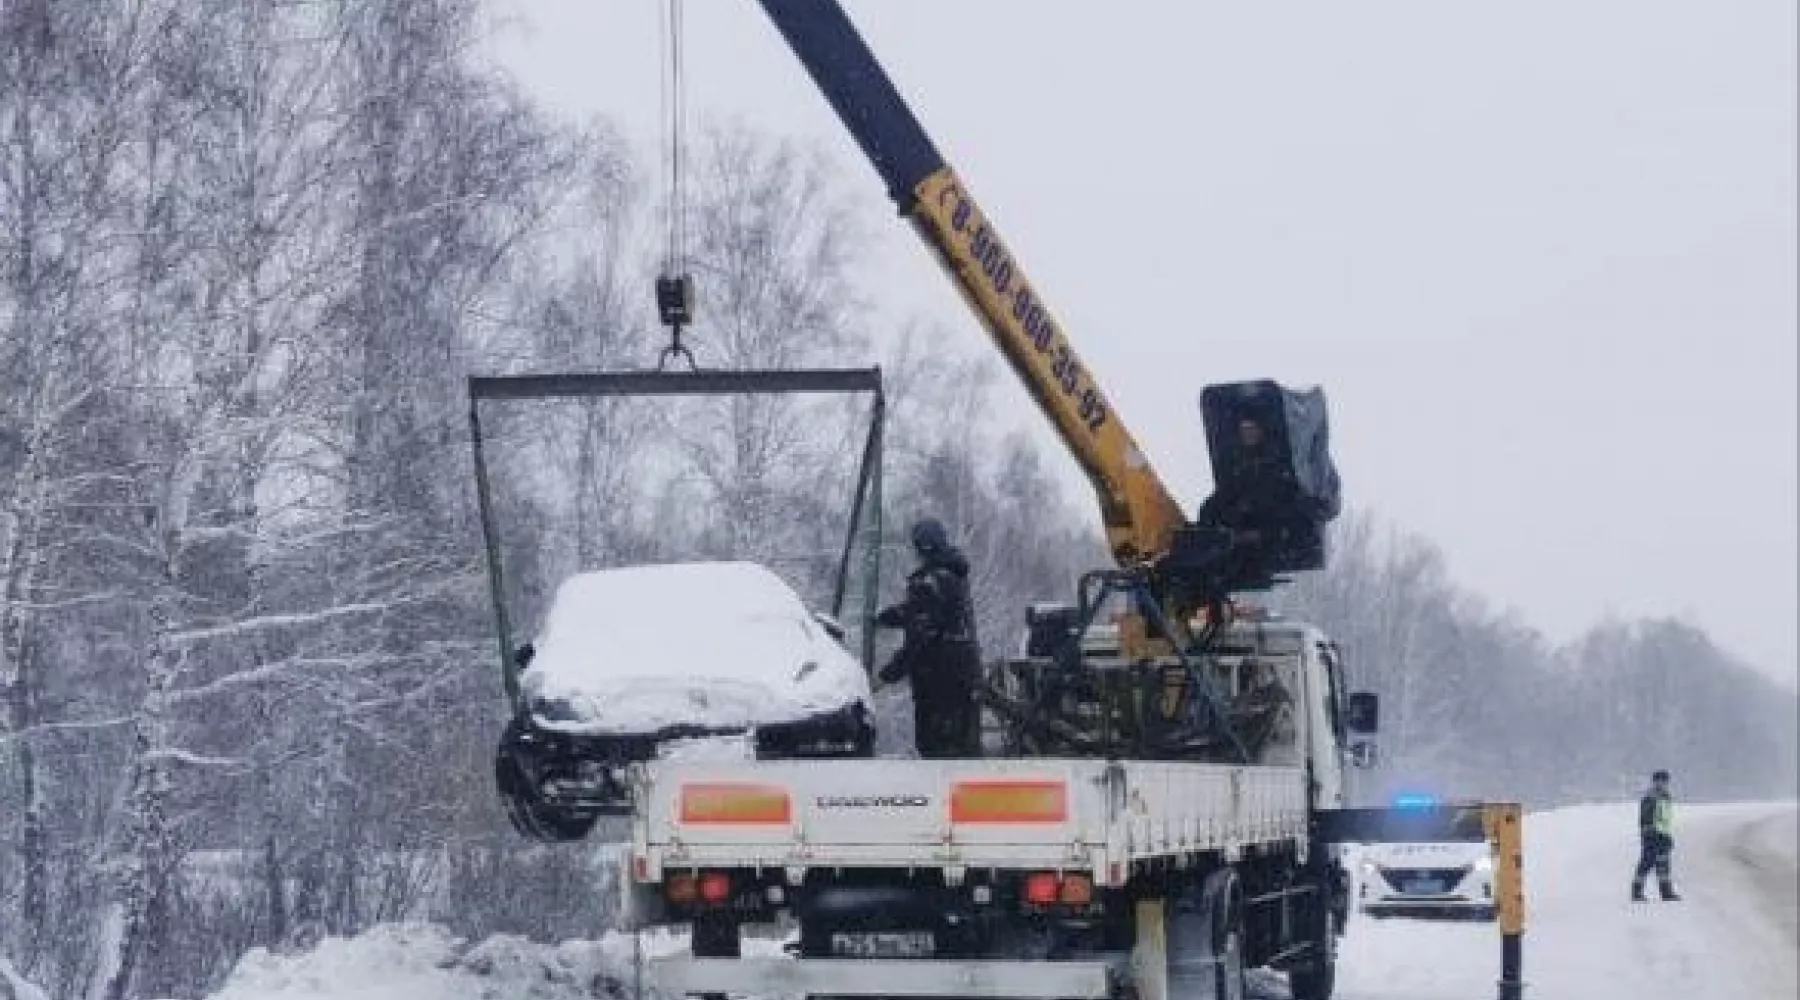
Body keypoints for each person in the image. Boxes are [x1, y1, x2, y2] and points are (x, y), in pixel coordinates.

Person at [874, 518, 981, 758]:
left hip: (938, 686)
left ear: (923, 547)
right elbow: (928, 613)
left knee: (940, 755)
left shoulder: (931, 581)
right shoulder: (952, 577)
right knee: (963, 754)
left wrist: (886, 676)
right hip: (961, 681)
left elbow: (921, 637)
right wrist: (890, 617)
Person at [1631, 769, 1681, 902]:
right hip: (1651, 835)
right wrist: (1648, 833)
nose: (1663, 784)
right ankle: (1636, 892)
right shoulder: (1650, 797)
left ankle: (1666, 892)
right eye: (1660, 781)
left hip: (1663, 835)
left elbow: (1665, 819)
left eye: (1665, 781)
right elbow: (1645, 818)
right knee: (1646, 863)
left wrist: (1667, 835)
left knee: (1664, 865)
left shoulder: (1666, 797)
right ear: (1655, 782)